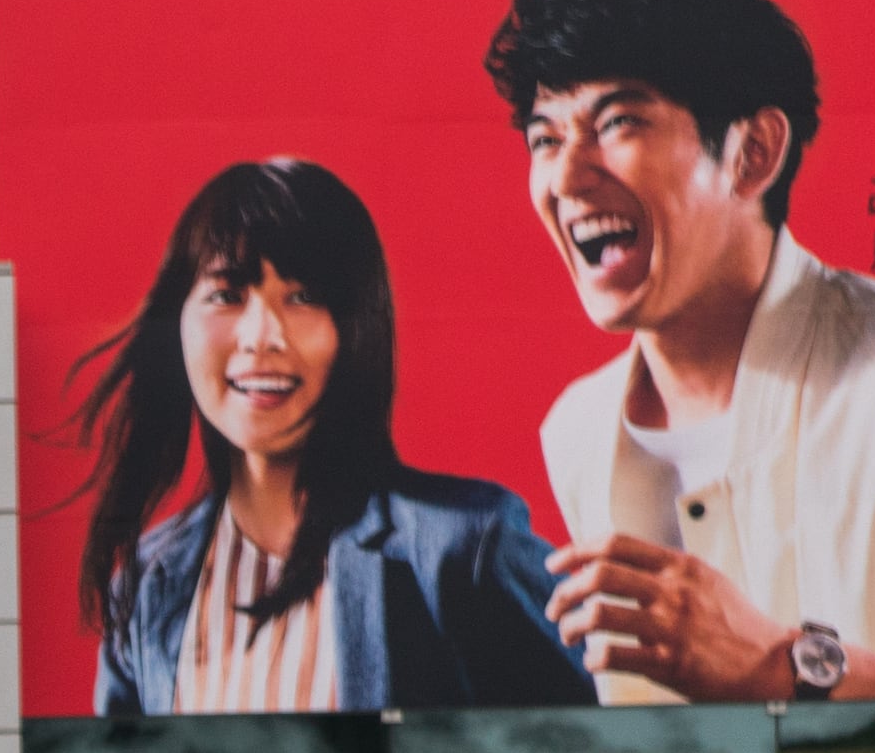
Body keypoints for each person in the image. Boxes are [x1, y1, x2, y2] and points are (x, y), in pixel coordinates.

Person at [495, 0, 875, 707]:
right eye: (545, 138)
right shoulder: (577, 430)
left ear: (753, 154)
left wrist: (785, 666)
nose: (569, 177)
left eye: (618, 122)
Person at [74, 158, 589, 712]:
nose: (260, 337)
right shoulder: (150, 584)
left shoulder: (461, 552)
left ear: (357, 328)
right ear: (178, 323)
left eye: (302, 297)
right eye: (228, 294)